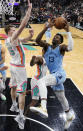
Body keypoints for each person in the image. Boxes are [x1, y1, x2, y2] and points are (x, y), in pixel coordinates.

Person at [30, 20, 75, 129]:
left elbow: (71, 47)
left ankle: (43, 107)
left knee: (42, 81)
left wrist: (68, 31)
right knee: (61, 98)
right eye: (55, 36)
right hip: (54, 77)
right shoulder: (47, 47)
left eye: (58, 38)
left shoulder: (61, 48)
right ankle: (69, 115)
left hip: (59, 74)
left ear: (60, 42)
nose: (56, 38)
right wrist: (46, 28)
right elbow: (37, 40)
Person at [4, 0, 33, 129]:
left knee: (13, 87)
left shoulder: (8, 40)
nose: (15, 29)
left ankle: (13, 105)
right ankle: (21, 117)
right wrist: (29, 11)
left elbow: (24, 40)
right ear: (9, 31)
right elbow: (23, 24)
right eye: (13, 29)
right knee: (22, 92)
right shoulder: (13, 37)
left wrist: (30, 36)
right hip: (20, 69)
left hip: (13, 66)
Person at [24, 51, 48, 117]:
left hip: (40, 81)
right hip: (37, 82)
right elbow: (32, 64)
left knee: (38, 93)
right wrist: (33, 60)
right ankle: (23, 117)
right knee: (35, 101)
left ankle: (22, 93)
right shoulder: (40, 58)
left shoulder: (48, 59)